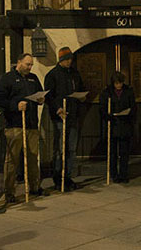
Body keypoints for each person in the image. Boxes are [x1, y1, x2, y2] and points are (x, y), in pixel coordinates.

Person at [0, 54, 48, 202]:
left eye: (31, 65)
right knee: (12, 159)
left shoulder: (33, 78)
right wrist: (15, 106)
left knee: (32, 157)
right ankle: (9, 192)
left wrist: (40, 100)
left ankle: (34, 187)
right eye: (27, 64)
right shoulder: (7, 78)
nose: (29, 67)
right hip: (14, 125)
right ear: (19, 62)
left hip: (31, 124)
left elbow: (39, 93)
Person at [44, 47, 85, 192]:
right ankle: (58, 177)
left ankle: (68, 176)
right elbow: (48, 96)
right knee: (60, 148)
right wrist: (57, 109)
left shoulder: (74, 73)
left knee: (71, 149)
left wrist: (81, 97)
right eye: (67, 60)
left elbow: (80, 88)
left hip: (73, 115)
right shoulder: (52, 75)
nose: (69, 62)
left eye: (70, 60)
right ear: (61, 60)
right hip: (59, 116)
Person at [99, 71, 136, 184]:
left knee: (124, 152)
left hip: (124, 125)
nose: (119, 85)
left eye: (120, 83)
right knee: (112, 152)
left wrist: (129, 114)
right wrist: (108, 115)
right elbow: (102, 109)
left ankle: (124, 174)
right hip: (113, 125)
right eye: (116, 83)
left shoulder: (128, 91)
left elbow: (133, 107)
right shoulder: (107, 92)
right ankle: (114, 174)